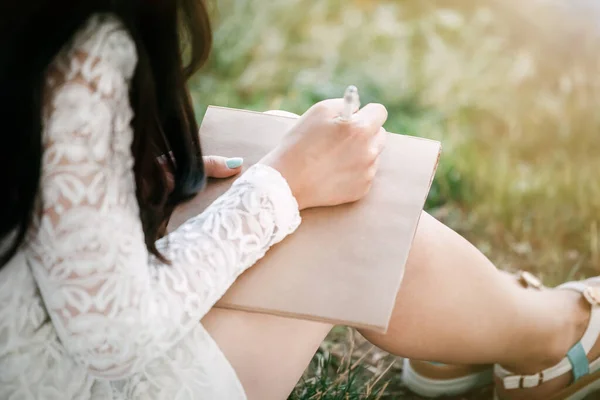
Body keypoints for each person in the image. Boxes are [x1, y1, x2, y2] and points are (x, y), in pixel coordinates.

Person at [0, 2, 599, 400]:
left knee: (278, 156)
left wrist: (103, 188)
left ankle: (481, 324)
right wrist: (284, 186)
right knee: (327, 210)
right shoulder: (83, 38)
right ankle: (547, 336)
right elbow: (112, 337)